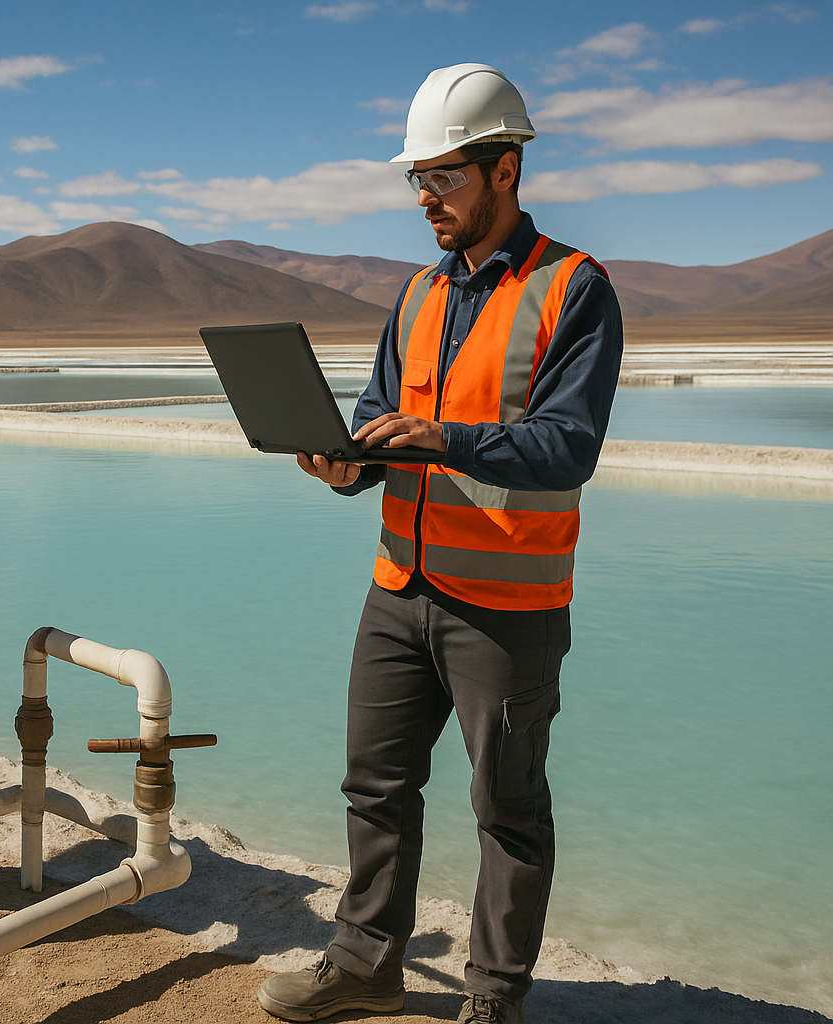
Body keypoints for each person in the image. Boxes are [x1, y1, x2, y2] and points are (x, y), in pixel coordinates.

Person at [256, 65, 623, 1024]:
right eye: (416, 179)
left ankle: (494, 999)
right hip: (400, 587)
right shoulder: (417, 293)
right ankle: (366, 964)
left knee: (508, 810)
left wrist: (444, 439)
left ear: (505, 169)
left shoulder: (573, 289)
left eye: (444, 177)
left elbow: (569, 447)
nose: (425, 198)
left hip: (506, 608)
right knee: (374, 786)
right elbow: (383, 418)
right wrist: (348, 464)